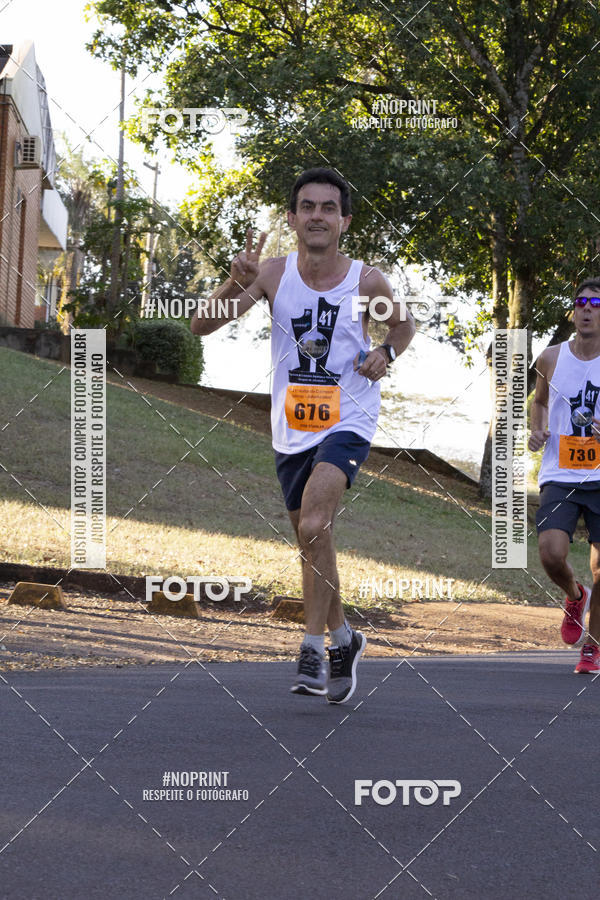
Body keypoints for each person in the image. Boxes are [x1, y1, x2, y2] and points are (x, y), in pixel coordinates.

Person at [192, 167, 415, 701]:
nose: (318, 215)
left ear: (344, 220)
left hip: (349, 416)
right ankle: (345, 638)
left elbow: (402, 327)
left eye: (328, 208)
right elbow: (201, 325)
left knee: (316, 520)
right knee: (313, 537)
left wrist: (384, 352)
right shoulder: (270, 275)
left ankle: (312, 648)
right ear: (292, 218)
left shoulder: (366, 282)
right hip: (291, 426)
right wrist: (234, 280)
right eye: (307, 207)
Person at [530, 278, 600, 673]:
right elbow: (539, 402)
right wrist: (537, 429)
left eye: (595, 303)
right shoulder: (551, 357)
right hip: (561, 471)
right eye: (580, 303)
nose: (587, 309)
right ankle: (575, 595)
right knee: (551, 553)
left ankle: (593, 646)